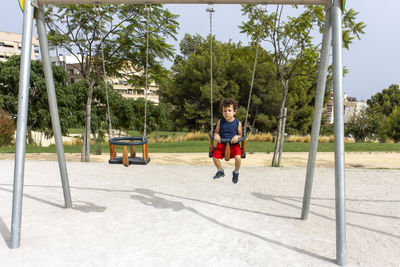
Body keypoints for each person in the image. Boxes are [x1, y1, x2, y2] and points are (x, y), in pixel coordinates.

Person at [212, 98, 243, 184]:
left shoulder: (238, 123)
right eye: (224, 111)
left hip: (234, 145)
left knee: (238, 158)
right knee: (214, 157)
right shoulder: (220, 121)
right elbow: (216, 132)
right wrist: (217, 135)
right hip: (222, 144)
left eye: (229, 110)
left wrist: (237, 136)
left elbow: (240, 135)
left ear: (234, 111)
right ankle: (220, 171)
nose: (227, 113)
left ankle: (236, 172)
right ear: (222, 112)